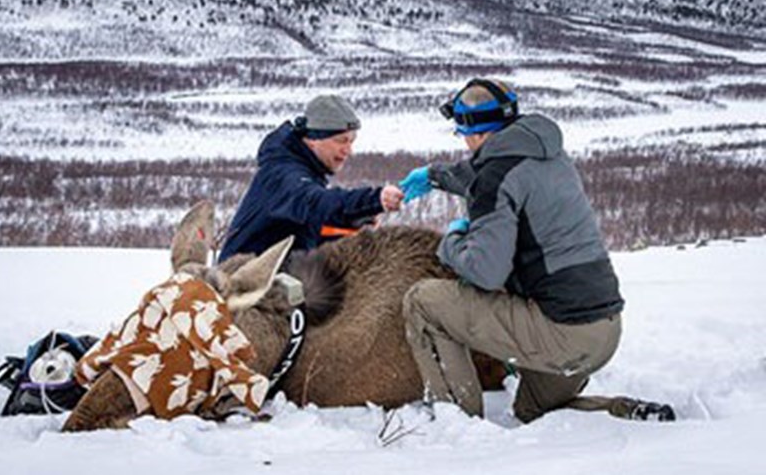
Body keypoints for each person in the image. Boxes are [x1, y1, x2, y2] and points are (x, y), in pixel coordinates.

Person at [399, 78, 624, 424]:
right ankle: (618, 411)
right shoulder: (548, 154)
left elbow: (485, 273)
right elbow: (489, 173)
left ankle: (454, 420)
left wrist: (452, 242)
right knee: (532, 411)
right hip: (603, 332)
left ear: (471, 131)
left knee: (423, 302)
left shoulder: (495, 177)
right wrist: (435, 176)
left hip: (561, 334)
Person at [218, 95, 404, 262]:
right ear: (314, 139)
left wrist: (351, 224)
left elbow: (303, 229)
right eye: (341, 141)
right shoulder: (285, 175)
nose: (348, 151)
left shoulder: (306, 169)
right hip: (242, 284)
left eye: (351, 141)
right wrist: (374, 199)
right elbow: (316, 204)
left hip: (275, 275)